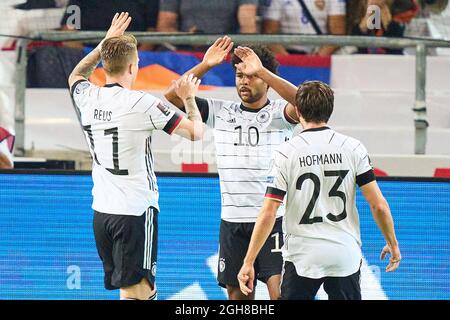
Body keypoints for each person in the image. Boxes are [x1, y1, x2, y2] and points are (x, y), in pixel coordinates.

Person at [68, 12, 204, 300]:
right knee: (139, 293)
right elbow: (195, 133)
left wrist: (104, 43)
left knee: (130, 292)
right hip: (135, 212)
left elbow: (76, 75)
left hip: (102, 213)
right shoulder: (143, 103)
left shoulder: (88, 98)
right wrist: (190, 97)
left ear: (104, 64)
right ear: (133, 66)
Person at [238, 81, 402, 300]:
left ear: (297, 110)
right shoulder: (353, 148)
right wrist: (392, 243)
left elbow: (269, 211)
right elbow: (378, 205)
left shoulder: (286, 153)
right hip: (344, 254)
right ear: (330, 110)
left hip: (303, 256)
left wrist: (249, 261)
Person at [164, 39, 300, 300]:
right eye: (239, 75)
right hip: (233, 222)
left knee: (281, 294)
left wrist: (261, 69)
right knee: (238, 299)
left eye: (251, 76)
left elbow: (305, 102)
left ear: (266, 80)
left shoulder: (280, 114)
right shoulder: (220, 111)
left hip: (274, 220)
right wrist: (205, 65)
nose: (244, 82)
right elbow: (171, 95)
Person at [61, 0, 160, 49]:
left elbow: (152, 31)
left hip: (132, 60)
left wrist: (134, 61)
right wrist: (89, 60)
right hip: (87, 56)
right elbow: (69, 28)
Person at [261, 0, 346, 55]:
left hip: (320, 53)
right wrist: (288, 60)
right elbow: (269, 33)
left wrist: (317, 58)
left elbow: (338, 33)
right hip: (287, 53)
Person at [157, 0, 258, 35]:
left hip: (228, 54)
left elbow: (248, 28)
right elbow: (165, 26)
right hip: (185, 54)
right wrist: (188, 37)